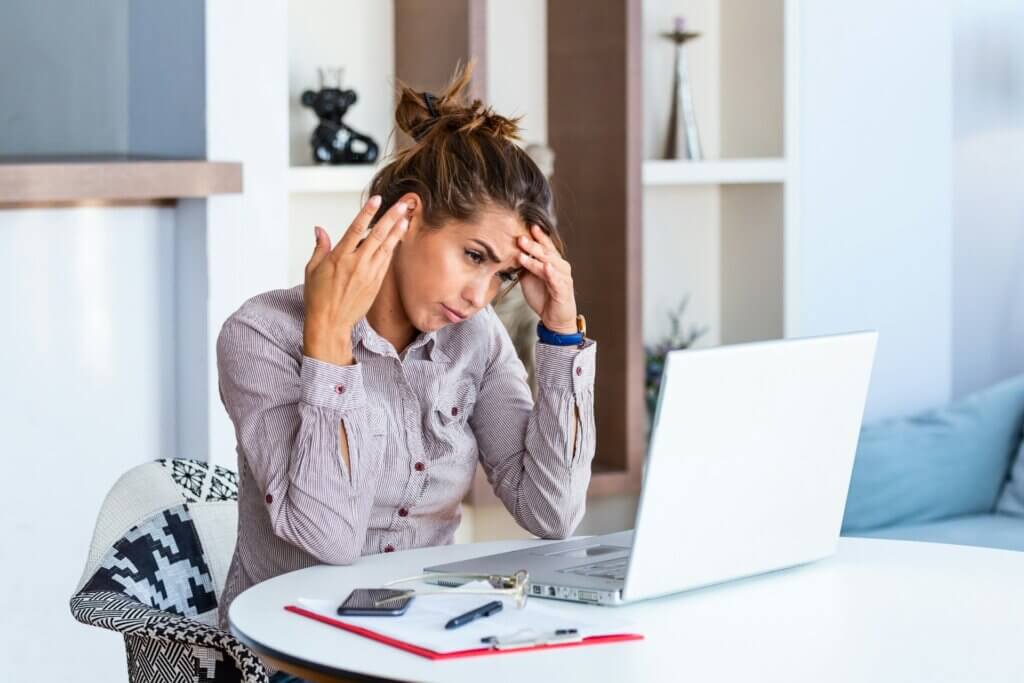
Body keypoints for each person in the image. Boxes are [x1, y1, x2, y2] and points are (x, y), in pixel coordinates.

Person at [213, 64, 597, 672]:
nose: (480, 295)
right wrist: (329, 341)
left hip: (430, 644)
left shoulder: (478, 340)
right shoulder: (260, 335)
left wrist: (559, 333)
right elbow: (330, 537)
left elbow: (551, 512)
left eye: (502, 275)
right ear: (408, 218)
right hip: (288, 659)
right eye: (473, 256)